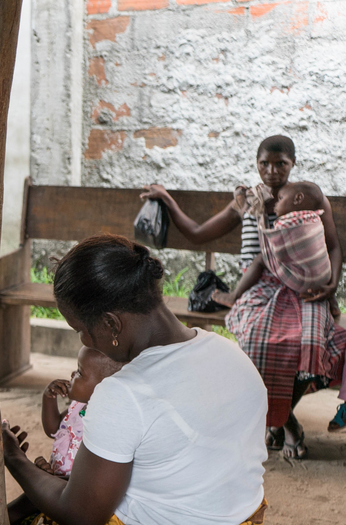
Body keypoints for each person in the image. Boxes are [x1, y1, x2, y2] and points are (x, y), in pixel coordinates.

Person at [3, 235, 279, 525]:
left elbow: (81, 515)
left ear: (112, 324)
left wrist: (15, 460)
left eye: (81, 329)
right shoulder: (229, 354)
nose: (82, 341)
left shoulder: (126, 392)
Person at [140, 135, 343, 457]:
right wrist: (167, 199)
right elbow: (197, 232)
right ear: (256, 163)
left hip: (304, 287)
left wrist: (331, 286)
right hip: (257, 288)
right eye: (264, 163)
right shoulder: (247, 200)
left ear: (292, 164)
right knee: (258, 341)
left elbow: (333, 246)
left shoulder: (308, 197)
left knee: (312, 343)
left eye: (280, 164)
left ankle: (273, 421)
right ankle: (286, 424)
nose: (272, 170)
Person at [5, 346, 122, 525]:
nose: (72, 374)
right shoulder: (77, 406)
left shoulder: (108, 423)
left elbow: (94, 480)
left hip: (76, 492)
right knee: (33, 495)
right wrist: (49, 398)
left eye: (80, 372)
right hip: (57, 479)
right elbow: (53, 429)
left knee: (30, 500)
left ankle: (6, 518)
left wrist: (49, 480)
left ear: (103, 387)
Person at [218, 181, 331, 307]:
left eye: (281, 199)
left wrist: (262, 224)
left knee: (261, 258)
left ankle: (234, 296)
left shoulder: (285, 223)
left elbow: (277, 252)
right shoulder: (314, 217)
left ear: (298, 199)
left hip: (301, 281)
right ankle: (332, 303)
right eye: (265, 163)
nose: (276, 204)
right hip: (322, 278)